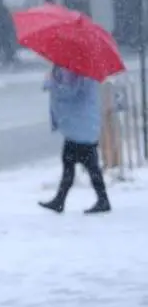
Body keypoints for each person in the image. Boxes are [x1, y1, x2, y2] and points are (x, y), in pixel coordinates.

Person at [39, 64, 111, 214]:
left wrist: (53, 84)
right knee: (78, 163)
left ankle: (63, 200)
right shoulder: (81, 71)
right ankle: (62, 200)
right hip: (82, 125)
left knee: (79, 163)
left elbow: (70, 93)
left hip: (81, 126)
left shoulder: (81, 73)